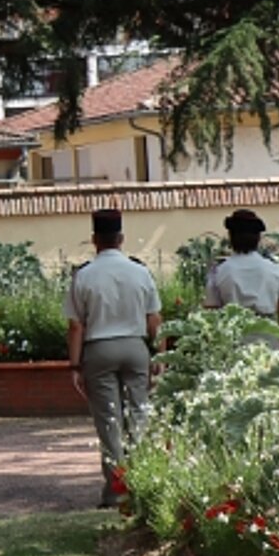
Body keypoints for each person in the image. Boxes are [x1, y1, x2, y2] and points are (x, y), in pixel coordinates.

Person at [64, 209, 162, 507]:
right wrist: (159, 352)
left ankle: (117, 490)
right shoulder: (140, 271)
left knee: (109, 420)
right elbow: (155, 317)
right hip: (135, 346)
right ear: (122, 238)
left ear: (94, 240)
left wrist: (75, 364)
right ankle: (145, 483)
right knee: (140, 414)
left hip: (99, 348)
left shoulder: (84, 275)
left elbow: (75, 325)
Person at [204, 210, 279, 348]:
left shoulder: (218, 273)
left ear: (231, 238)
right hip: (268, 340)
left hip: (233, 341)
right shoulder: (275, 270)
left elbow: (210, 315)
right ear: (258, 238)